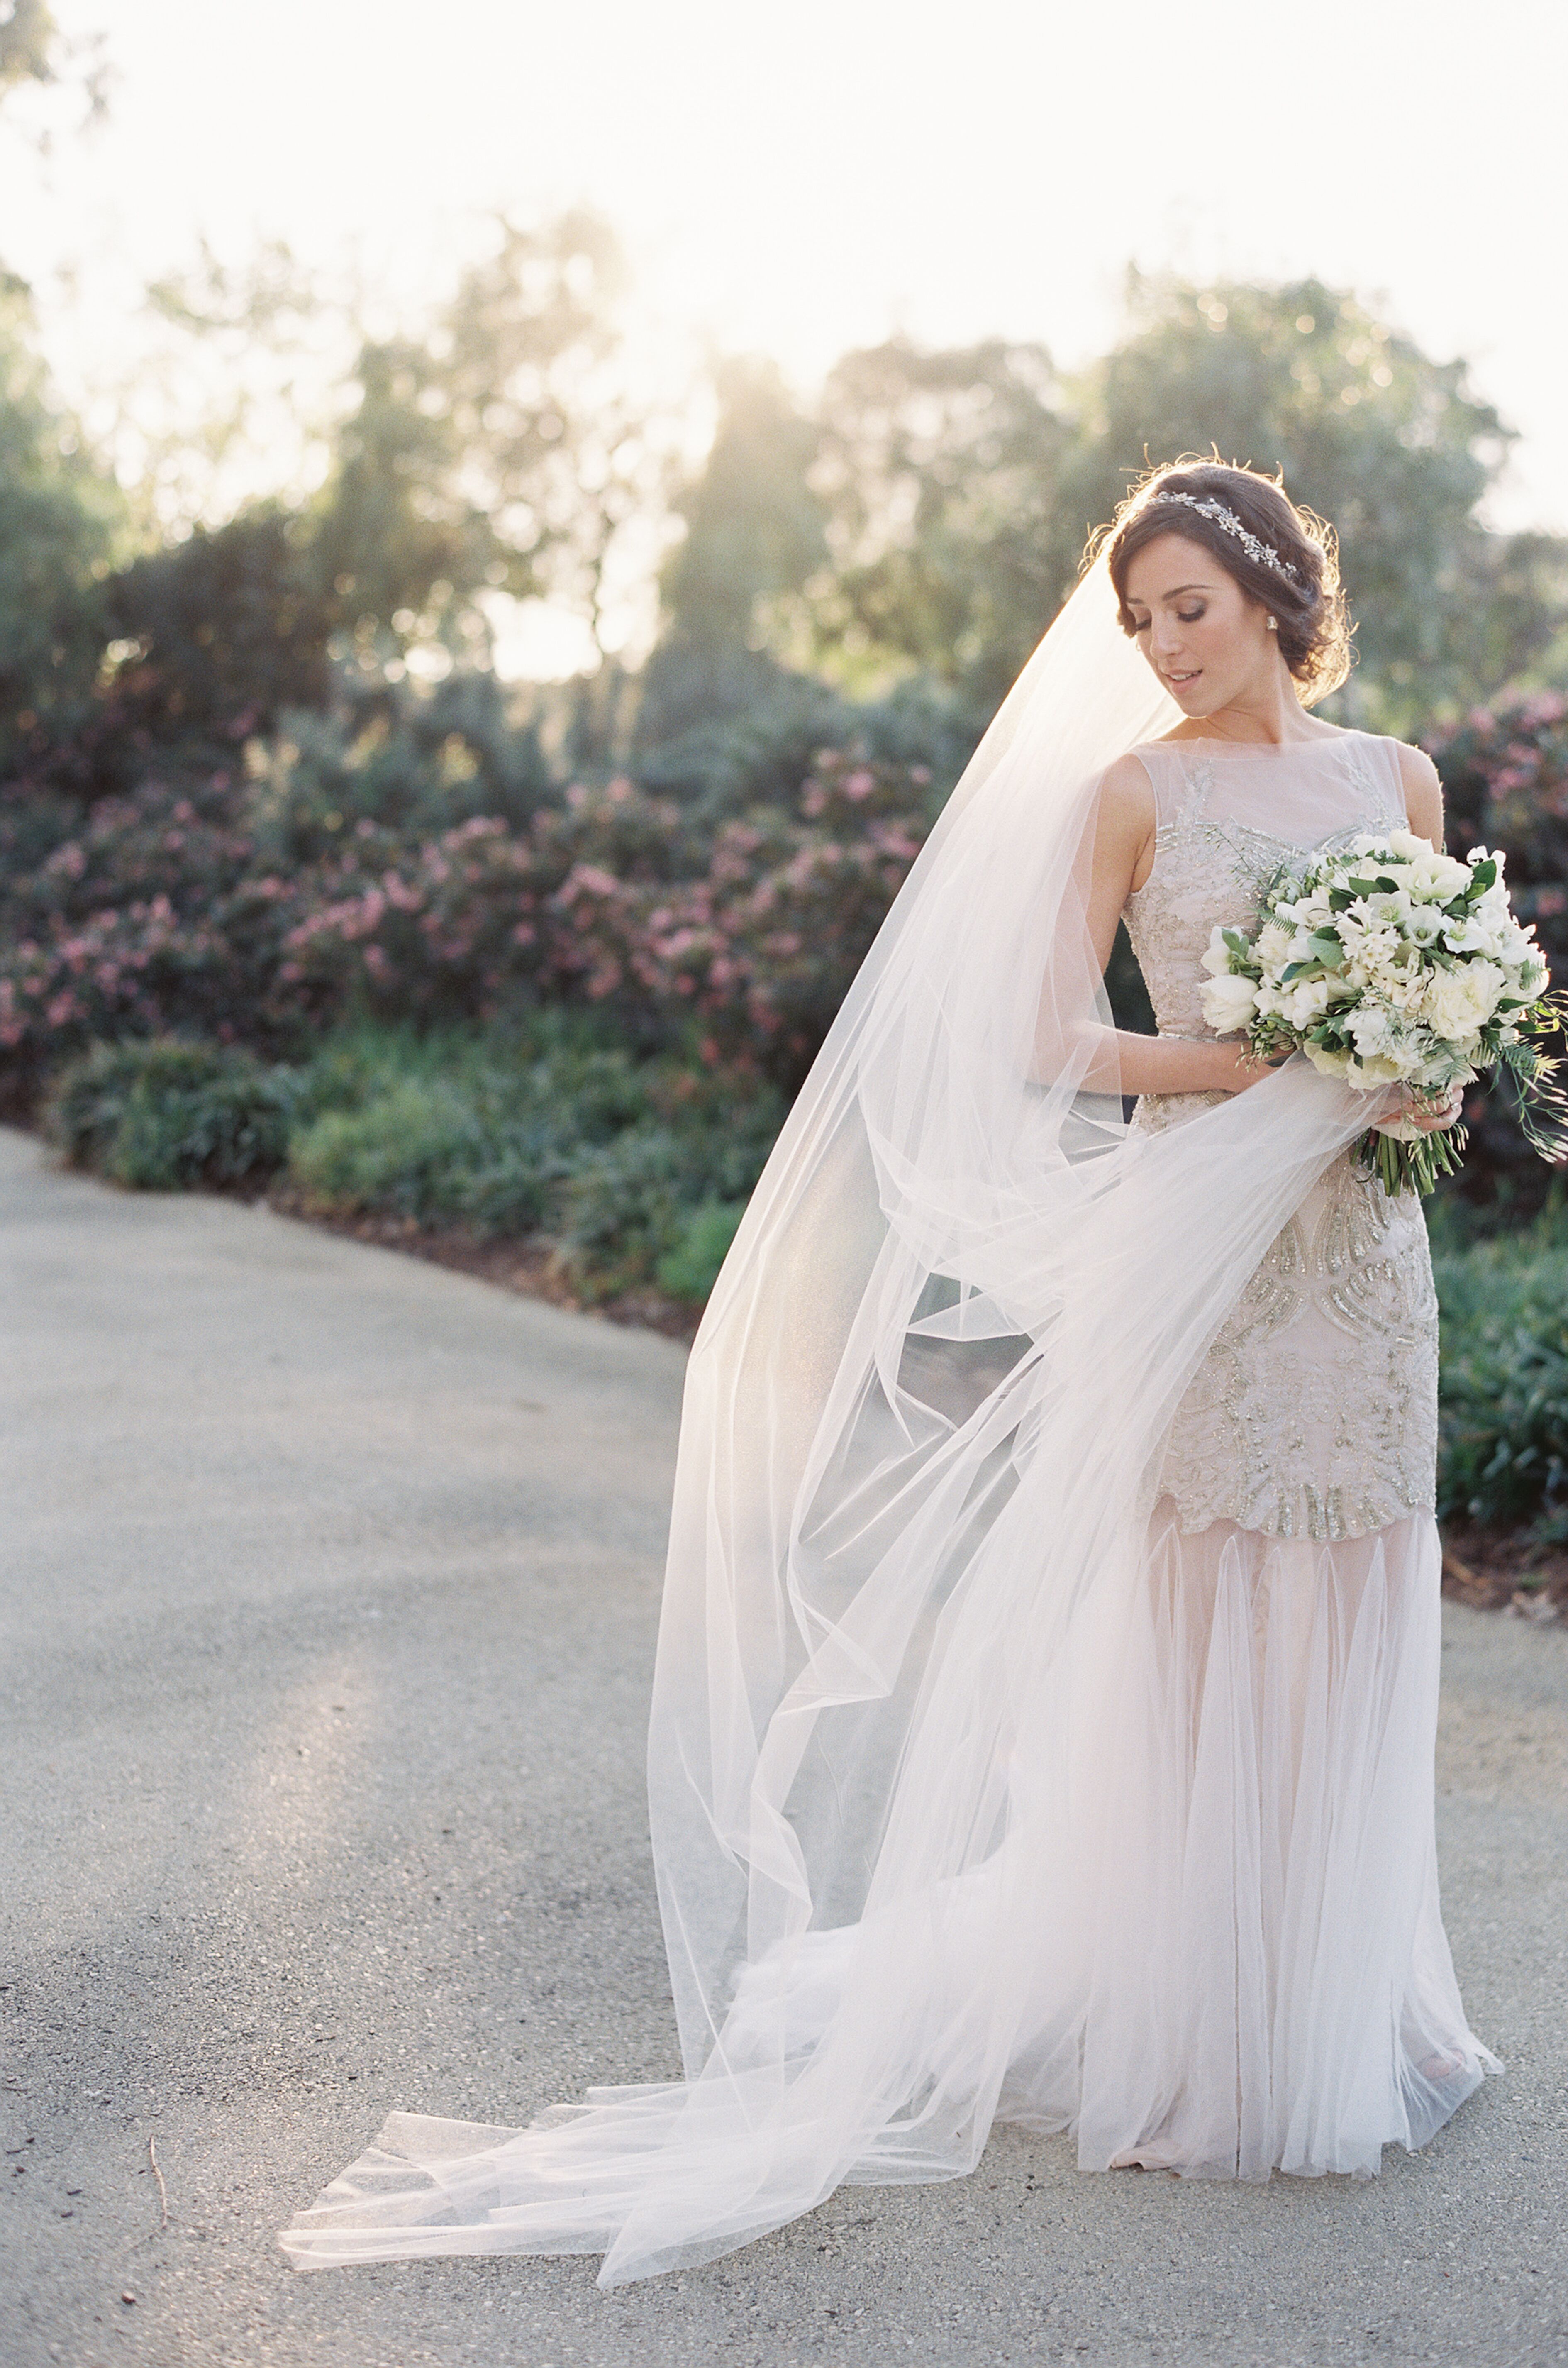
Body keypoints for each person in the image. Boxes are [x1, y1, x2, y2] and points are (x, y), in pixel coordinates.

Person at [281, 458, 1496, 2287]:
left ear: (1273, 595)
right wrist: (1240, 1069)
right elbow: (1042, 1030)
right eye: (1140, 617)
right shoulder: (1129, 796)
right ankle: (1206, 2030)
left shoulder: (1397, 780)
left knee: (1358, 1582)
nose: (1164, 646)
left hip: (1362, 1259)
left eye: (1192, 607)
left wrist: (1419, 1075)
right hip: (1209, 1268)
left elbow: (1461, 1022)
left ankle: (1352, 2002)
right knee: (1205, 1602)